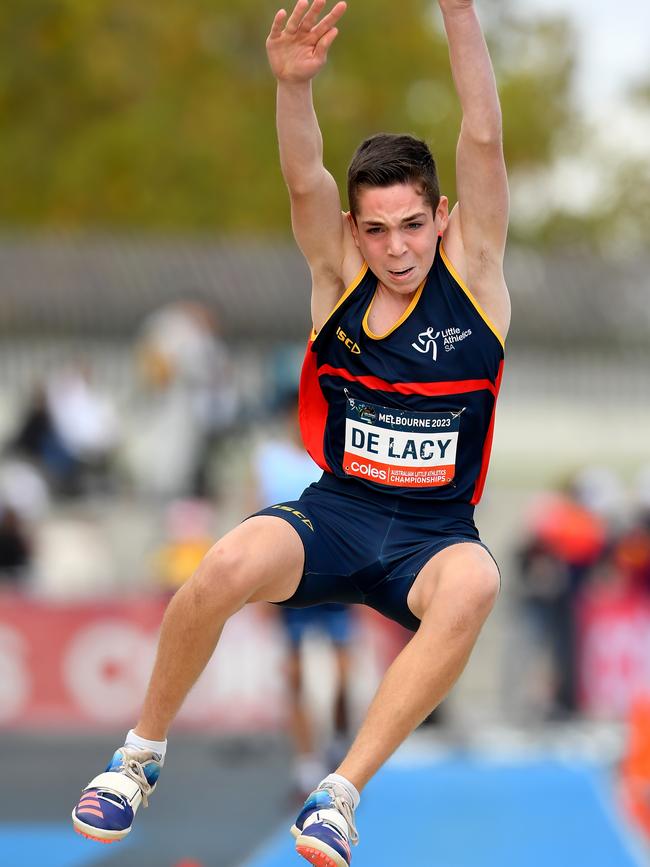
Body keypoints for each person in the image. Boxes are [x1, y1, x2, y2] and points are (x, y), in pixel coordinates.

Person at [72, 1, 510, 865]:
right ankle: (136, 760)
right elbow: (305, 179)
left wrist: (459, 11)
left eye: (414, 225)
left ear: (444, 216)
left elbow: (485, 137)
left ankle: (339, 794)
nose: (396, 249)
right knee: (223, 566)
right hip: (337, 513)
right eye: (376, 229)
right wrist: (292, 89)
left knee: (475, 588)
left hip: (431, 536)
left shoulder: (480, 280)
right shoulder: (336, 276)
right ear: (355, 230)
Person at [252, 391, 354, 801]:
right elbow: (256, 516)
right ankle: (306, 763)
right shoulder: (269, 459)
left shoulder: (333, 452)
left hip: (336, 576)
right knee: (295, 676)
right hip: (289, 581)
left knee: (342, 674)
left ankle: (339, 741)